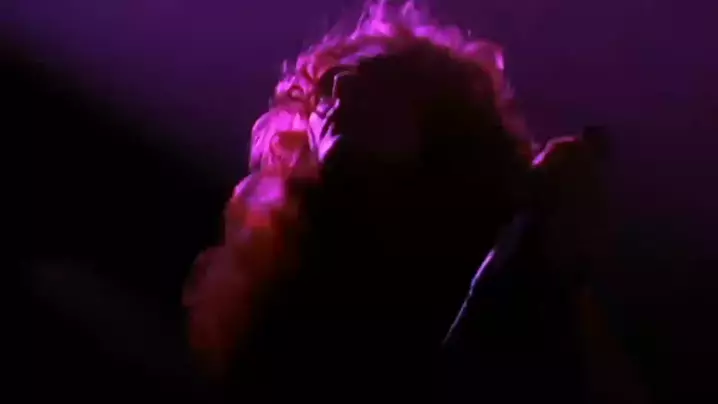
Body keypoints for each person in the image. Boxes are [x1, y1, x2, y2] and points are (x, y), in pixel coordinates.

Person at [182, 2, 646, 402]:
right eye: (323, 96)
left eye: (369, 78)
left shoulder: (523, 266)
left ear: (446, 119)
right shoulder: (286, 320)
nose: (337, 94)